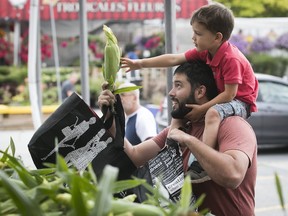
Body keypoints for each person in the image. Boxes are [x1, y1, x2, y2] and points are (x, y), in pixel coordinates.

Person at [121, 3, 258, 183]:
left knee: (213, 113)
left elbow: (229, 95)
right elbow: (173, 58)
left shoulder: (231, 58)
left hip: (241, 101)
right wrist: (140, 63)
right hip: (226, 97)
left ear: (217, 37)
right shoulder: (206, 52)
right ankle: (171, 153)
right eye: (193, 32)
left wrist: (203, 110)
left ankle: (200, 164)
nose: (193, 37)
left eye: (198, 34)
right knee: (181, 114)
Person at [98, 61, 257, 215]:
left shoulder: (232, 125)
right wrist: (111, 116)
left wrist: (188, 140)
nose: (171, 93)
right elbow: (133, 156)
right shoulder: (179, 129)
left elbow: (233, 175)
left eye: (178, 85)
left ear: (200, 92)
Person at [118, 82, 158, 202]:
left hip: (143, 184)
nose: (118, 100)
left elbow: (152, 152)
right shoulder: (129, 117)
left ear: (134, 97)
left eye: (122, 95)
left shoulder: (143, 117)